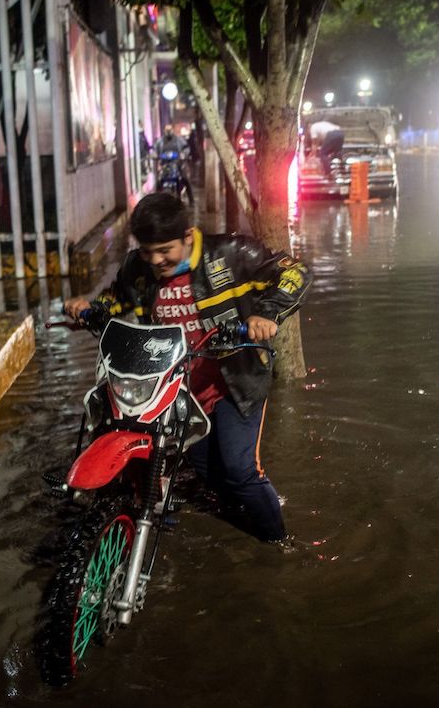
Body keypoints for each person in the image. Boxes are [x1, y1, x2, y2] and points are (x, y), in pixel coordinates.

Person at [63, 192, 312, 547]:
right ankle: (235, 522)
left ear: (188, 236)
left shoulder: (232, 254)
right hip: (178, 387)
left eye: (165, 250)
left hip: (234, 382)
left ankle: (278, 542)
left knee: (241, 472)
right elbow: (118, 298)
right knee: (210, 473)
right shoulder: (138, 266)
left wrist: (266, 313)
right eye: (148, 252)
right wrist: (92, 307)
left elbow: (296, 271)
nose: (156, 260)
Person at [152, 124, 193, 205]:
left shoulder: (179, 140)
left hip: (177, 164)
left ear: (172, 130)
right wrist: (155, 155)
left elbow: (186, 148)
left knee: (185, 179)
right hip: (164, 165)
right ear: (164, 131)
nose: (168, 132)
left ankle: (191, 200)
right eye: (167, 130)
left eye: (170, 130)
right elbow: (154, 150)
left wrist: (183, 154)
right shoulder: (160, 141)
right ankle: (155, 202)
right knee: (158, 181)